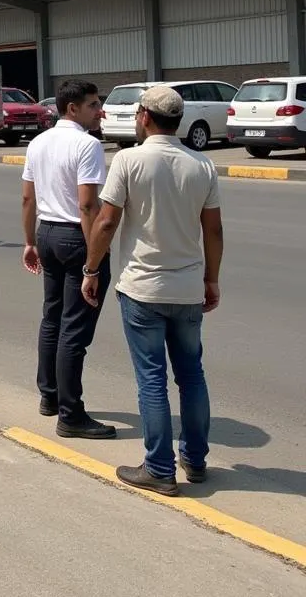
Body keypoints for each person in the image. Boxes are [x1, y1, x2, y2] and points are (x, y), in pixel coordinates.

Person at [84, 85, 223, 496]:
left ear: (144, 116)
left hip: (142, 289)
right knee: (192, 376)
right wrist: (211, 279)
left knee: (152, 380)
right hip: (187, 289)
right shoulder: (202, 165)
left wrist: (91, 269)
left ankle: (159, 469)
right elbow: (212, 229)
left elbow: (106, 223)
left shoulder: (128, 160)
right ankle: (195, 461)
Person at [21, 79, 115, 440]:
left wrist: (29, 241)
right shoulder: (87, 145)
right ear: (72, 108)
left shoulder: (38, 142)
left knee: (53, 317)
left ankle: (50, 395)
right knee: (74, 328)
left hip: (46, 233)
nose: (99, 110)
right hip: (77, 237)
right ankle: (71, 414)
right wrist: (94, 261)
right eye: (93, 105)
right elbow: (88, 204)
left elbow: (27, 199)